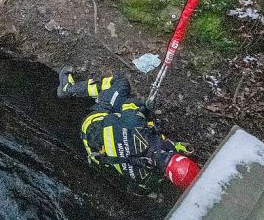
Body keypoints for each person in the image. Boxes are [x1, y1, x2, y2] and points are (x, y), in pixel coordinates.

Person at [56, 68, 201, 192]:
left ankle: (68, 89)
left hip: (92, 124)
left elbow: (128, 106)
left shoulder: (139, 128)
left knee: (121, 83)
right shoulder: (150, 181)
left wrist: (143, 108)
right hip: (95, 153)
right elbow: (134, 188)